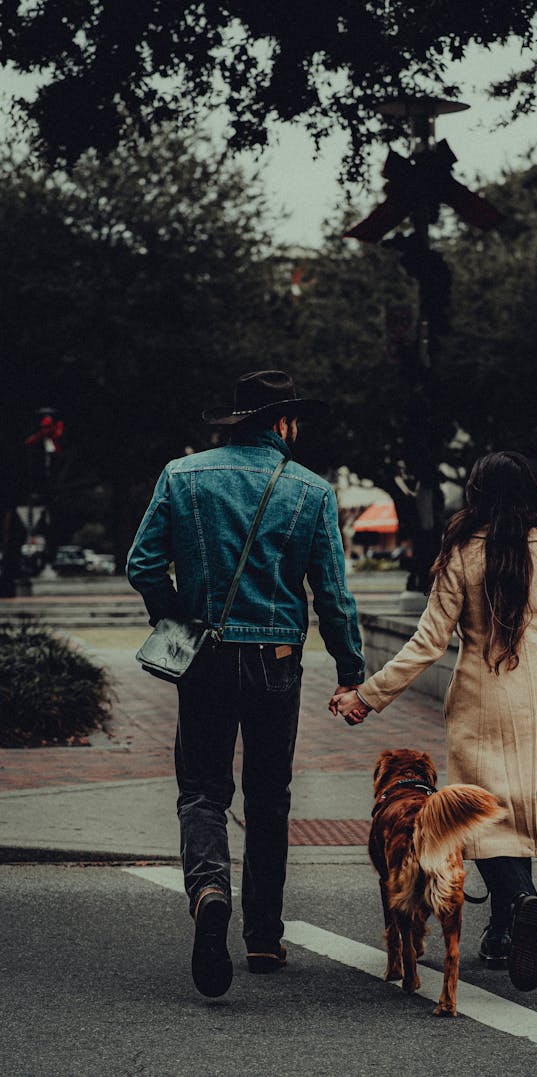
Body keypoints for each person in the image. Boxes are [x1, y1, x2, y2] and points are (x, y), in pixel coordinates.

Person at [127, 370, 365, 997]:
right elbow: (333, 596)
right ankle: (263, 936)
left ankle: (208, 889)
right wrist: (350, 668)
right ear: (283, 422)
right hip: (277, 659)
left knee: (203, 790)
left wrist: (176, 619)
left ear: (238, 421)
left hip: (205, 652)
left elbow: (142, 563)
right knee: (269, 796)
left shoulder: (183, 476)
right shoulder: (312, 492)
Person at [331, 451, 537, 992]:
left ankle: (517, 907)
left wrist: (368, 694)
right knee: (520, 812)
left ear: (475, 495)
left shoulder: (461, 554)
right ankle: (505, 928)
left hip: (483, 697)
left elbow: (428, 643)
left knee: (481, 819)